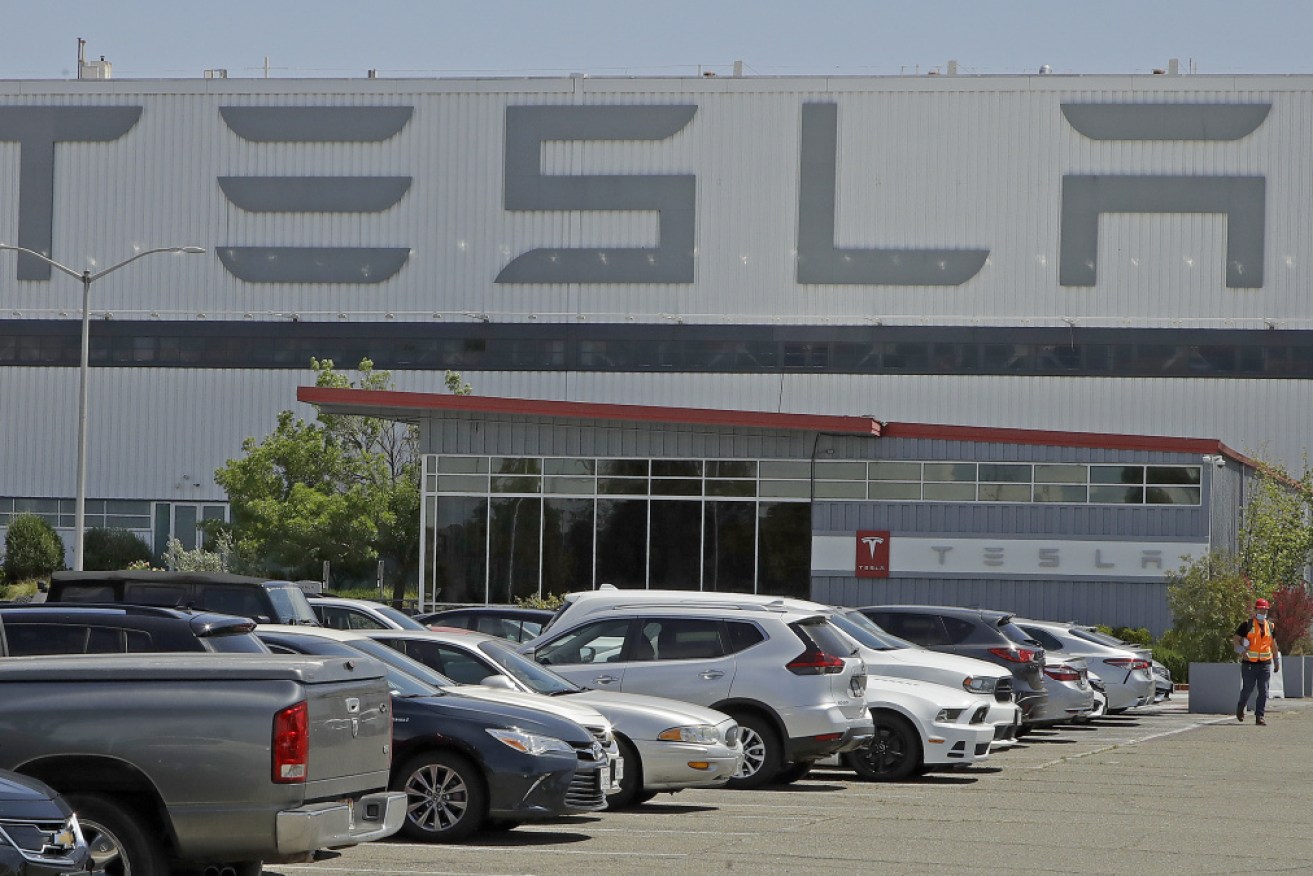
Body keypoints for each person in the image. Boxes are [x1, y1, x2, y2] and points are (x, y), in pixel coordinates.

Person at [1234, 597, 1280, 725]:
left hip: (1265, 663)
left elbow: (1273, 644)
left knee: (1264, 690)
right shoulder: (1246, 625)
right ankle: (1240, 707)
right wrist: (1242, 651)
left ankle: (1259, 716)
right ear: (1255, 610)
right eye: (1260, 610)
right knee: (1248, 689)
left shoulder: (1270, 626)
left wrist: (1276, 661)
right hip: (1249, 663)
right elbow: (1236, 640)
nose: (1263, 613)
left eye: (1265, 610)